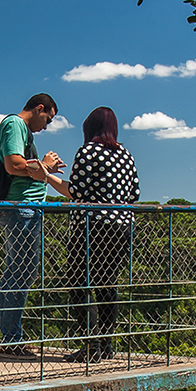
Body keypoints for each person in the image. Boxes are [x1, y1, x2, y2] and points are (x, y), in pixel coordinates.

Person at [0, 92, 69, 357]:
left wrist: (44, 171)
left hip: (25, 209)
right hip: (21, 208)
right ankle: (12, 339)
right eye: (47, 118)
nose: (46, 126)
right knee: (20, 273)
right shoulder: (15, 124)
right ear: (40, 108)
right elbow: (13, 165)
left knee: (19, 272)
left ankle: (11, 337)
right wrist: (43, 165)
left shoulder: (23, 130)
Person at [66, 106, 140, 360]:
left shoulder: (88, 152)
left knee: (79, 283)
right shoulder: (126, 154)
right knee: (107, 283)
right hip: (122, 226)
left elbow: (76, 190)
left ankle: (90, 346)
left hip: (92, 226)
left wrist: (46, 177)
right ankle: (106, 345)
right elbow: (135, 194)